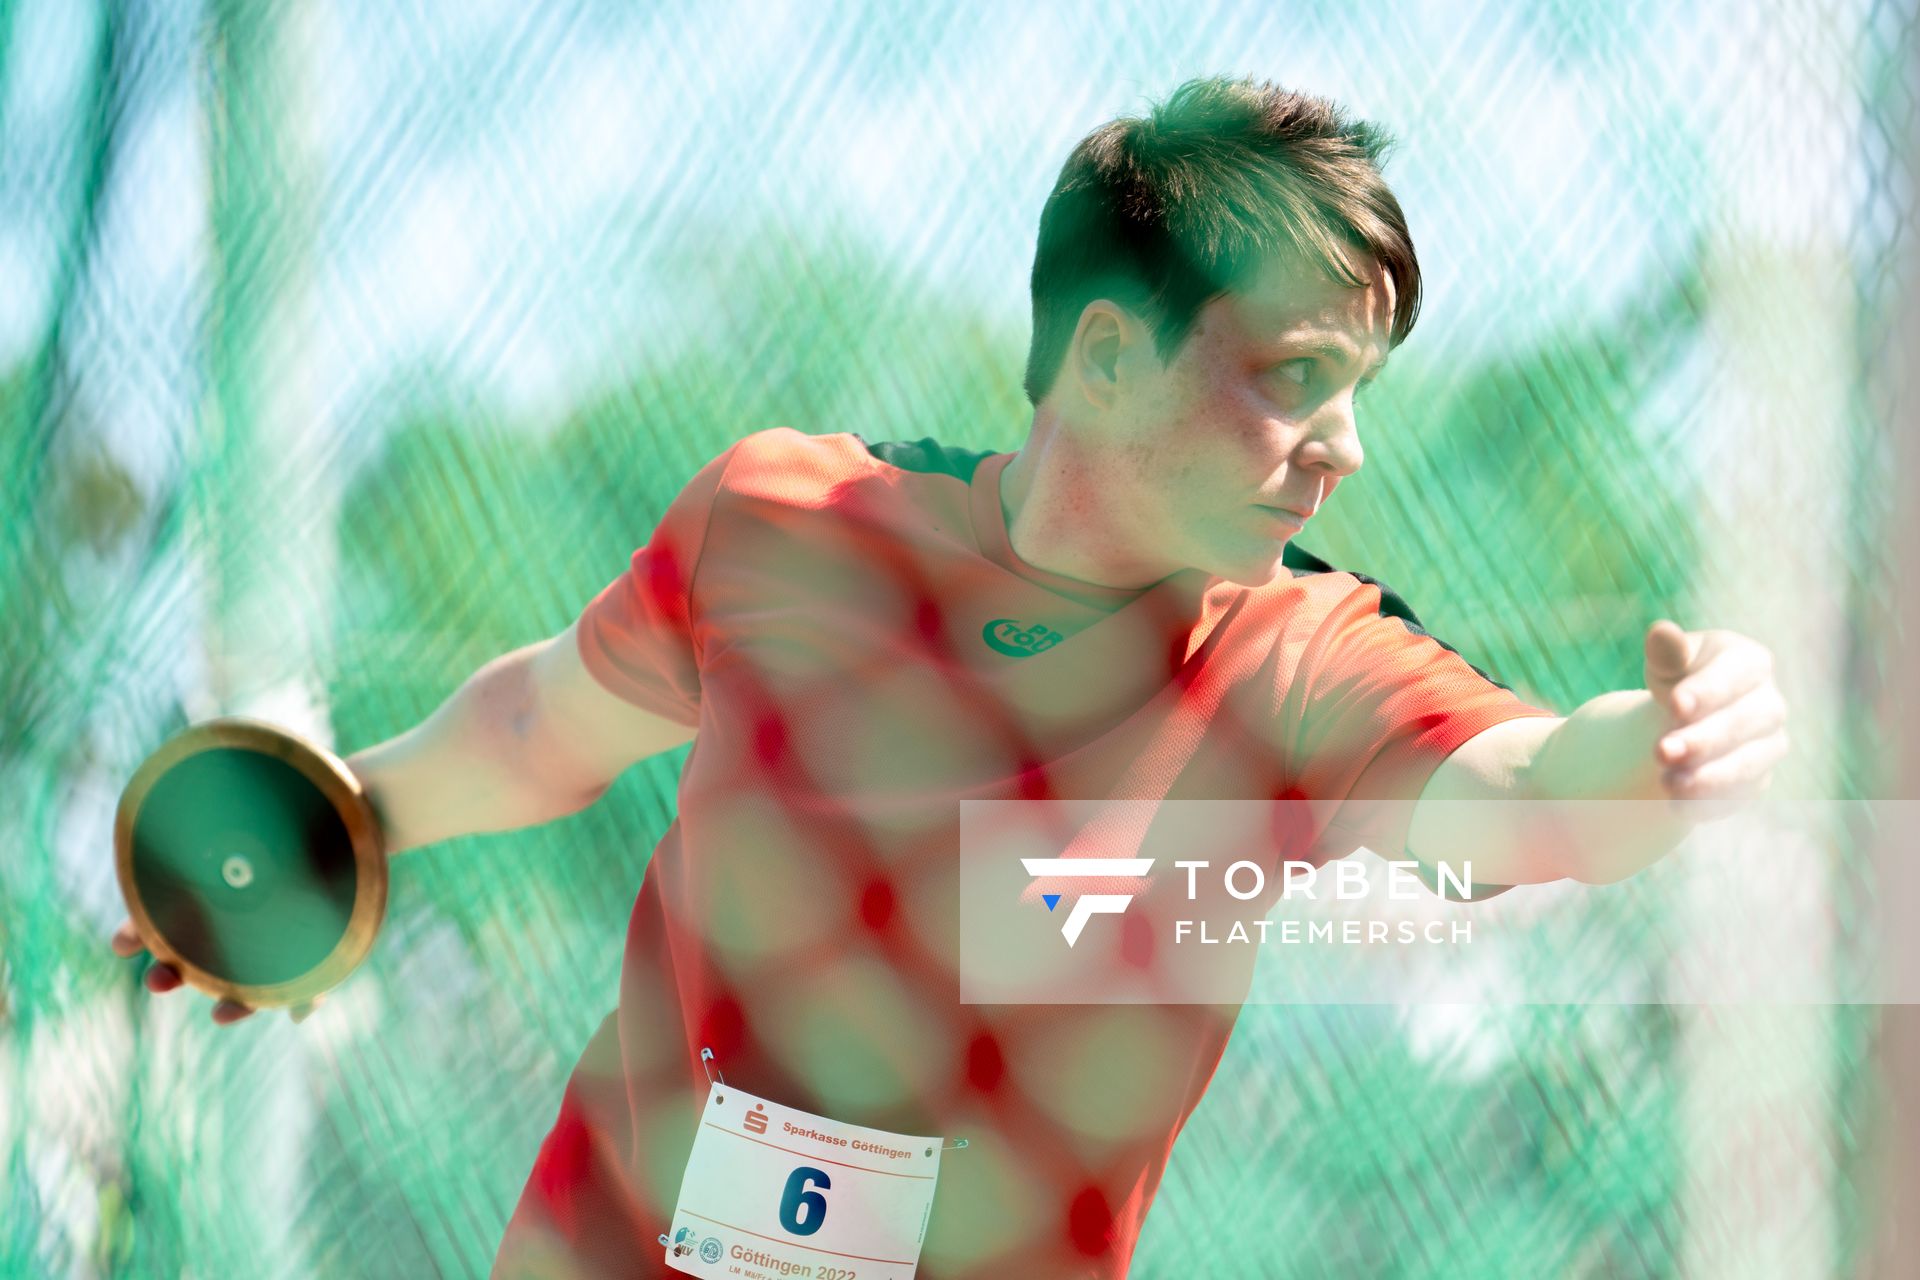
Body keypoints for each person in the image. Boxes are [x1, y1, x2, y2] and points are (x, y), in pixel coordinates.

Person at [112, 75, 1790, 1277]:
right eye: (1298, 378)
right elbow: (550, 720)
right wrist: (337, 825)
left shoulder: (1295, 659)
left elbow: (1521, 801)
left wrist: (1663, 752)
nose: (1344, 446)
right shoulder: (789, 522)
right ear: (1112, 356)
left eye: (1364, 388)